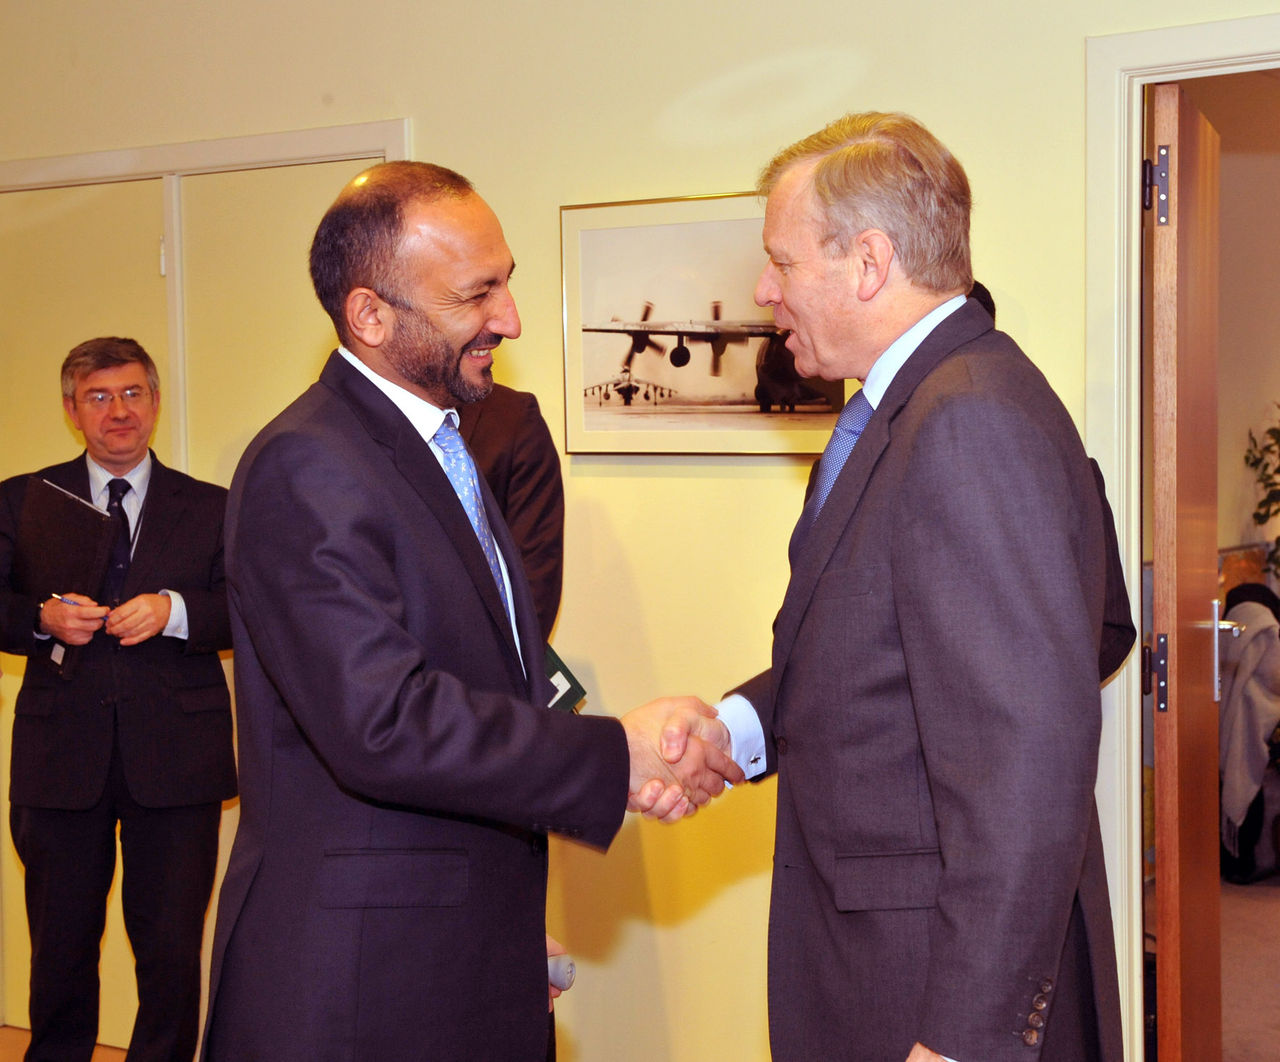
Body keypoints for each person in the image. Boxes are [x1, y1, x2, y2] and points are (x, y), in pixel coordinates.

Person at [200, 160, 740, 1062]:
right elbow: (384, 722)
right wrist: (620, 752)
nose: (511, 320)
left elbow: (477, 686)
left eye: (508, 282)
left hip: (449, 958)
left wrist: (497, 919)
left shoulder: (443, 444)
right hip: (358, 990)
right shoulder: (308, 466)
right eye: (475, 294)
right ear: (370, 316)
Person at [649, 113, 1124, 1062]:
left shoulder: (967, 421)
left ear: (868, 263)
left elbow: (1027, 761)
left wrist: (965, 1040)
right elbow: (1076, 633)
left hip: (932, 997)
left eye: (781, 262)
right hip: (888, 968)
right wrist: (735, 735)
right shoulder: (936, 398)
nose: (762, 289)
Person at [0, 337, 236, 1062]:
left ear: (155, 402)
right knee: (61, 953)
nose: (119, 411)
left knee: (169, 956)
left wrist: (177, 610)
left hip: (178, 762)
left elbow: (254, 610)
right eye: (98, 397)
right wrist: (41, 619)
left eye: (133, 393)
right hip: (59, 762)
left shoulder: (213, 506)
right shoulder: (24, 499)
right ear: (72, 411)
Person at [459, 384, 564, 641]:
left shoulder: (511, 417)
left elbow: (536, 572)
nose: (508, 340)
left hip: (484, 666)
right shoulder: (345, 414)